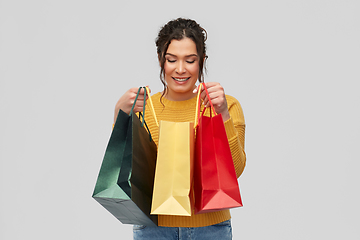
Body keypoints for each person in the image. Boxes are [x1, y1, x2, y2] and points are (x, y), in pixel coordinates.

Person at [114, 17, 246, 240]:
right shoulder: (144, 108)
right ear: (160, 60)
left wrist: (222, 114)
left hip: (211, 229)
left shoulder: (224, 104)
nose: (181, 69)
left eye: (190, 60)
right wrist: (120, 117)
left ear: (202, 61)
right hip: (153, 230)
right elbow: (123, 171)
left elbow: (236, 171)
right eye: (172, 60)